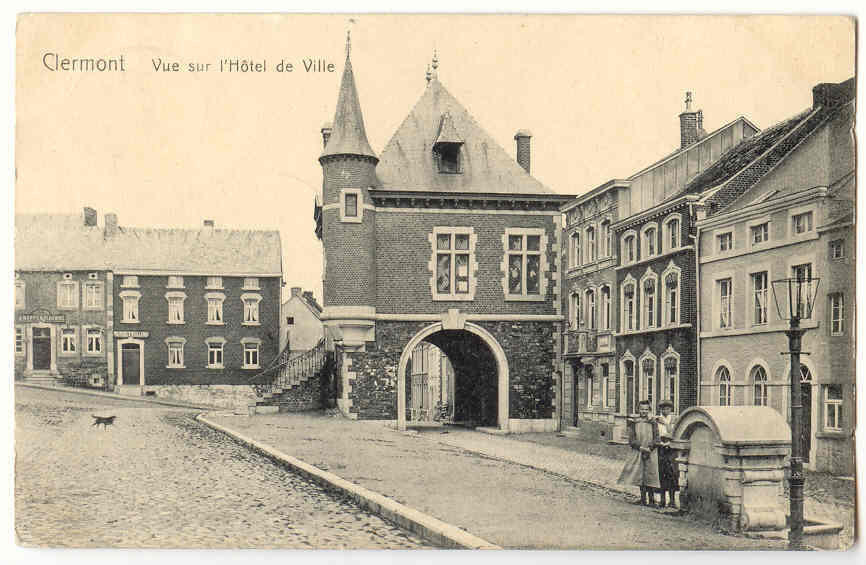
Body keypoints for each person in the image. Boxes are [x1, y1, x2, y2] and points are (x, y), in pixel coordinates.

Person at [617, 399, 661, 505]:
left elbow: (657, 438)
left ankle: (651, 500)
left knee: (650, 474)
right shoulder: (634, 422)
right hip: (639, 451)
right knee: (640, 474)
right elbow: (631, 439)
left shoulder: (653, 422)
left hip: (651, 452)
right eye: (642, 409)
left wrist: (650, 448)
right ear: (638, 409)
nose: (644, 411)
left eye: (646, 409)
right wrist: (640, 447)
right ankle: (643, 498)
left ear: (649, 410)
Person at [655, 399, 679, 509]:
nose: (666, 410)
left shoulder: (675, 420)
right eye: (663, 408)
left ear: (671, 409)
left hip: (671, 449)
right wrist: (660, 442)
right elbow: (655, 434)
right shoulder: (656, 420)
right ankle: (662, 500)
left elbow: (675, 433)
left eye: (668, 408)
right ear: (660, 409)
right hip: (661, 449)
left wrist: (667, 425)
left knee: (672, 474)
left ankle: (672, 500)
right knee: (661, 474)